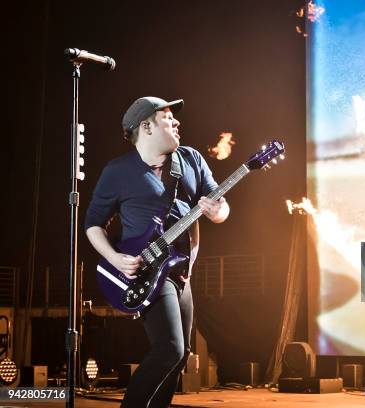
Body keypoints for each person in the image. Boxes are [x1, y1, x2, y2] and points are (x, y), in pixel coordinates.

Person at [85, 96, 229, 407]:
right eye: (167, 118)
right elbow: (92, 224)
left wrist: (217, 211)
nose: (177, 122)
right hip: (147, 271)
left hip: (182, 271)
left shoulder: (190, 160)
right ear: (146, 127)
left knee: (179, 358)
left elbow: (221, 207)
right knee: (170, 349)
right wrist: (115, 259)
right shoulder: (118, 171)